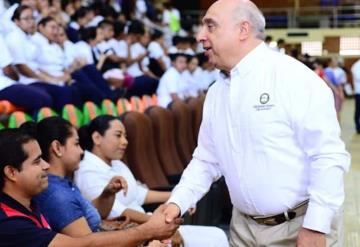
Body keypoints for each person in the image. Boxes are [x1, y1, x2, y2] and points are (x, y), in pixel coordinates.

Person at [162, 1, 351, 247]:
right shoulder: (217, 92)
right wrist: (177, 202)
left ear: (243, 30)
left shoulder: (293, 78)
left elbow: (328, 157)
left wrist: (316, 226)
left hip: (298, 228)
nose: (200, 36)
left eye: (211, 26)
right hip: (242, 229)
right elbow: (207, 159)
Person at [0, 128, 181, 247]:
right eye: (37, 161)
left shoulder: (29, 201)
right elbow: (85, 245)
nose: (45, 166)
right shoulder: (10, 224)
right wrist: (148, 231)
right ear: (11, 172)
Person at [75, 115, 229, 247]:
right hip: (133, 232)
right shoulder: (87, 171)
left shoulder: (117, 163)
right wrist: (160, 224)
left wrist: (178, 201)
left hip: (149, 223)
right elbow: (116, 212)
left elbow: (141, 194)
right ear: (97, 138)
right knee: (215, 238)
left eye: (125, 136)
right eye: (118, 135)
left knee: (218, 235)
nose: (125, 141)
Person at [351, 59, 360, 134]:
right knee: (358, 110)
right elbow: (358, 77)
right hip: (359, 92)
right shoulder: (356, 66)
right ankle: (358, 126)